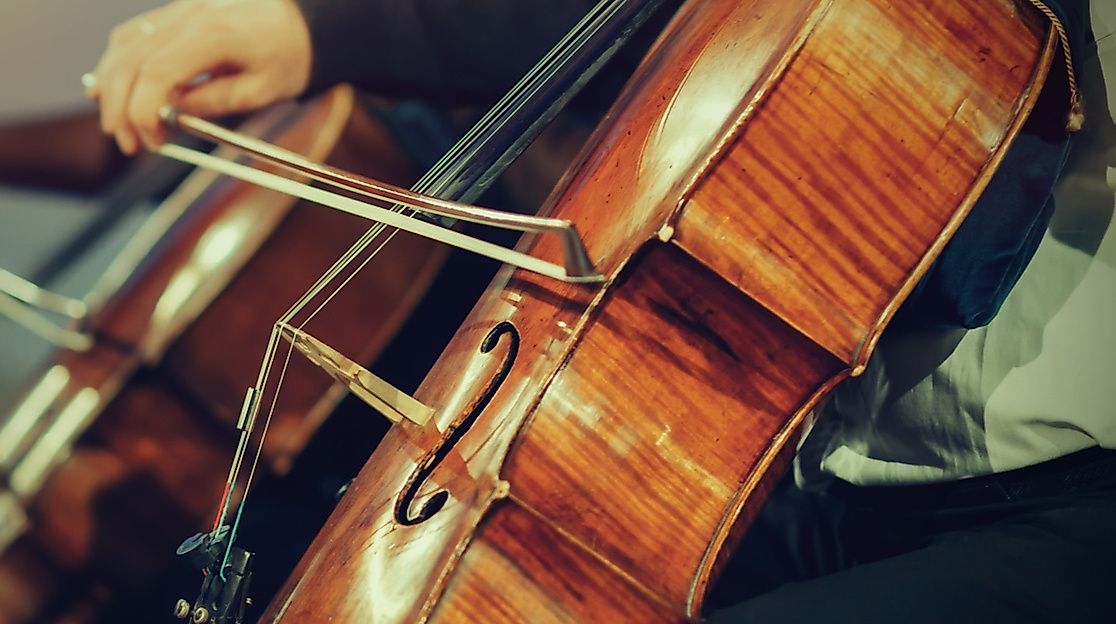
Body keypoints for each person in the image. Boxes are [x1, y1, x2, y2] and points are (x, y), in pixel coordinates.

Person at [87, 0, 1115, 623]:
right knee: (298, 556)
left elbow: (963, 262)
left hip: (1066, 508)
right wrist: (316, 31)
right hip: (832, 464)